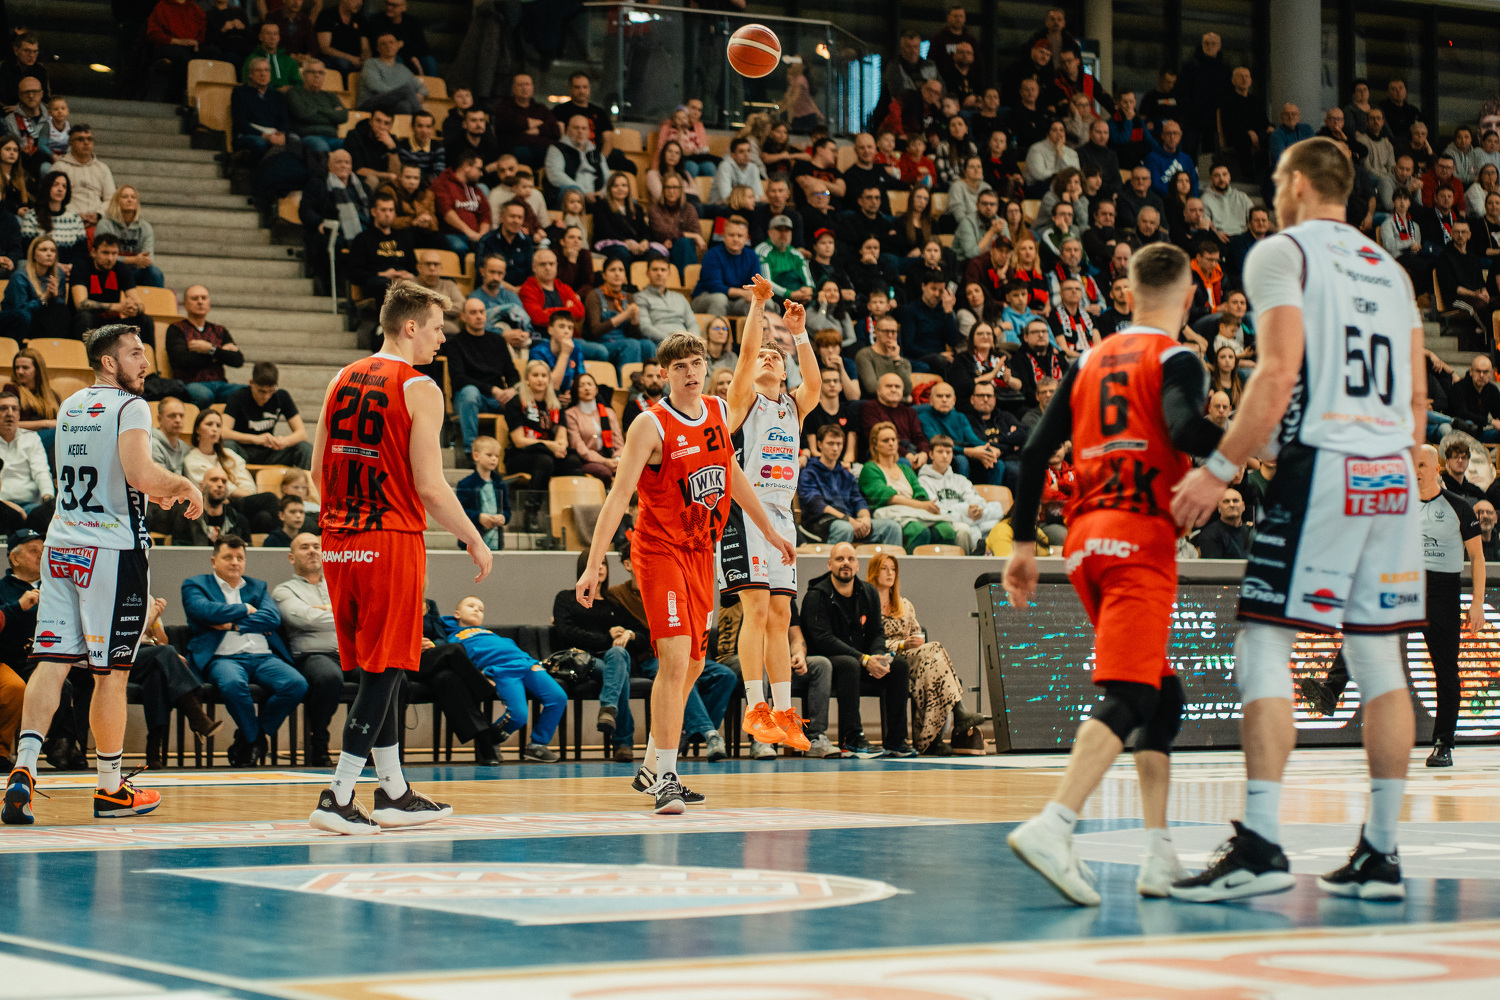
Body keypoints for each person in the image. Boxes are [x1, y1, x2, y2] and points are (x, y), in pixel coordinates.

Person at [1168, 138, 1425, 903]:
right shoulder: (1393, 271)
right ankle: (1381, 854)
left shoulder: (1285, 253)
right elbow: (1416, 400)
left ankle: (1260, 846)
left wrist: (1218, 471)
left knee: (1264, 642)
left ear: (1302, 184)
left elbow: (1277, 374)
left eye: (1279, 183)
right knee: (1379, 659)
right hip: (1393, 470)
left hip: (1328, 463)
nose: (1274, 196)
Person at [1002, 243, 1224, 906]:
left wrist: (1022, 543)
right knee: (1131, 694)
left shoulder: (1088, 358)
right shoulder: (1177, 358)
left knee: (1163, 695)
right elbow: (1184, 429)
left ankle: (1158, 854)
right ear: (1190, 298)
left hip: (1081, 543)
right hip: (1138, 538)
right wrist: (1243, 450)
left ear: (1126, 293)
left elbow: (1034, 453)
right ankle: (1055, 823)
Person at [574, 326, 795, 813]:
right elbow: (618, 497)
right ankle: (667, 778)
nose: (691, 373)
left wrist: (770, 531)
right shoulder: (649, 425)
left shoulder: (716, 411)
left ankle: (652, 766)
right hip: (659, 552)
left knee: (695, 664)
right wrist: (593, 565)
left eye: (697, 364)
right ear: (665, 374)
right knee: (674, 663)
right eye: (680, 367)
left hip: (701, 553)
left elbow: (733, 476)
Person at [308, 280, 491, 834]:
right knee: (386, 670)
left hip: (338, 541)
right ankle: (338, 795)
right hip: (389, 538)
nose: (442, 339)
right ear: (410, 327)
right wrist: (473, 537)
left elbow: (316, 472)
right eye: (436, 328)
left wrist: (348, 517)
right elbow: (431, 487)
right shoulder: (419, 387)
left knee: (377, 669)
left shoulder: (341, 377)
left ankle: (393, 793)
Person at [4, 324, 204, 826]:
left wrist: (151, 490)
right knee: (110, 674)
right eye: (135, 354)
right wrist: (182, 484)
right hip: (111, 552)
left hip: (62, 545)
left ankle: (23, 770)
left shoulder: (71, 404)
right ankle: (111, 788)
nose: (146, 362)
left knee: (52, 662)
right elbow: (138, 473)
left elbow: (109, 474)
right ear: (109, 363)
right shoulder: (131, 406)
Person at [1299, 445, 1483, 772]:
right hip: (1404, 582)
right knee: (1362, 628)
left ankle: (1443, 743)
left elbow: (1478, 558)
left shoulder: (1459, 507)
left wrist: (1477, 603)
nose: (1415, 471)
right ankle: (1330, 692)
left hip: (1442, 591)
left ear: (1437, 469)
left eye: (1422, 465)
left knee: (1445, 669)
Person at [719, 279, 821, 754]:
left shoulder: (793, 406)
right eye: (764, 355)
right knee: (756, 610)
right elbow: (745, 358)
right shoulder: (742, 401)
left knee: (780, 615)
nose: (767, 358)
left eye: (775, 357)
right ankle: (755, 706)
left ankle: (783, 711)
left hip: (782, 517)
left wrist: (799, 333)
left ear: (784, 371)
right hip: (743, 510)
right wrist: (759, 307)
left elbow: (814, 384)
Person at [868, 552, 986, 755]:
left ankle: (933, 739)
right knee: (934, 652)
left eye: (893, 569)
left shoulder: (904, 605)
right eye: (884, 569)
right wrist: (902, 645)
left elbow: (916, 632)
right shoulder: (868, 604)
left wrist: (916, 641)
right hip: (886, 658)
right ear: (874, 572)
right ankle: (951, 717)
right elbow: (870, 640)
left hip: (915, 658)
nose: (890, 573)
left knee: (933, 667)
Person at [801, 543, 911, 758]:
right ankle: (853, 739)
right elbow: (822, 639)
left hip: (863, 660)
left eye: (850, 559)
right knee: (849, 664)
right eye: (840, 559)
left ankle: (896, 741)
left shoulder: (868, 592)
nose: (846, 563)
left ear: (857, 565)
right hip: (828, 662)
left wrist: (877, 656)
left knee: (899, 666)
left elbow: (877, 632)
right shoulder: (817, 595)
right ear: (829, 564)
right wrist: (863, 659)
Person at [438, 596, 564, 762]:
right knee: (518, 715)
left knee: (558, 698)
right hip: (503, 670)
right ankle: (491, 740)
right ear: (457, 614)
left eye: (481, 609)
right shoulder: (452, 638)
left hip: (527, 664)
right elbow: (462, 663)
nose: (476, 610)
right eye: (471, 606)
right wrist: (481, 676)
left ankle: (537, 745)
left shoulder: (488, 633)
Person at [267, 533, 345, 766]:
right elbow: (305, 618)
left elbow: (364, 613)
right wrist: (340, 612)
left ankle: (373, 745)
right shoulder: (284, 591)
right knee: (328, 677)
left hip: (349, 653)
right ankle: (318, 742)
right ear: (292, 557)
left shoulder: (339, 584)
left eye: (316, 546)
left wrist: (324, 609)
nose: (312, 551)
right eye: (304, 547)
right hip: (313, 656)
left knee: (386, 675)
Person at [799, 424, 903, 546]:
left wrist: (865, 519)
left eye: (839, 444)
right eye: (830, 443)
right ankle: (835, 558)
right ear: (819, 444)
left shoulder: (845, 473)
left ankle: (887, 560)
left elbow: (858, 500)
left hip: (850, 520)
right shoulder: (809, 471)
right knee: (845, 528)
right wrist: (848, 520)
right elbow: (816, 504)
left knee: (892, 527)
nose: (835, 448)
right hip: (819, 522)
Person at [859, 421, 954, 551]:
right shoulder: (870, 468)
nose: (891, 443)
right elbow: (887, 497)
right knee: (919, 531)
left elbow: (919, 492)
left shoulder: (906, 469)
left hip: (915, 512)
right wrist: (922, 505)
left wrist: (925, 504)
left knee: (946, 530)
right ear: (875, 445)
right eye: (885, 440)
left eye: (893, 439)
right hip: (890, 513)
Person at [504, 359, 583, 492]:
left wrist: (560, 448)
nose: (540, 379)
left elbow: (562, 437)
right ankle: (532, 504)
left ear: (549, 380)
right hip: (521, 455)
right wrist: (551, 446)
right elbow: (519, 441)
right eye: (535, 375)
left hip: (550, 453)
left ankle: (569, 503)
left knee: (572, 461)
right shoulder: (516, 403)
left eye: (544, 376)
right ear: (527, 379)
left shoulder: (556, 403)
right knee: (545, 461)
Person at [918, 434, 1005, 553]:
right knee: (967, 529)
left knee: (998, 519)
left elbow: (977, 500)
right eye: (940, 452)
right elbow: (937, 510)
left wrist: (977, 509)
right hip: (946, 522)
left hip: (969, 520)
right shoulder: (923, 481)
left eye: (948, 452)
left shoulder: (961, 480)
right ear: (931, 454)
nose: (945, 456)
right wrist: (967, 511)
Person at [165, 285, 246, 409]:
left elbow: (237, 360)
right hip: (191, 383)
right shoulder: (176, 329)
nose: (200, 302)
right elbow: (182, 360)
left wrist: (211, 349)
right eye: (194, 298)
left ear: (209, 303)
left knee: (247, 393)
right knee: (204, 396)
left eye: (204, 298)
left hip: (221, 385)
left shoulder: (219, 330)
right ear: (185, 304)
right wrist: (219, 354)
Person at [223, 362, 312, 468]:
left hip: (270, 452)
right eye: (262, 391)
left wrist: (285, 441)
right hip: (243, 451)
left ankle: (305, 479)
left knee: (304, 447)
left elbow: (302, 433)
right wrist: (255, 439)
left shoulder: (281, 396)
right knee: (227, 445)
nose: (266, 396)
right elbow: (223, 432)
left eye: (271, 391)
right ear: (251, 383)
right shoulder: (237, 397)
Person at [70, 234, 146, 344]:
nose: (110, 258)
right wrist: (117, 307)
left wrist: (134, 308)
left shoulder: (121, 268)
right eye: (105, 253)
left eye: (114, 253)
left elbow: (140, 304)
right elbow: (81, 304)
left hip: (112, 323)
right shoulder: (81, 267)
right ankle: (82, 353)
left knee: (144, 319)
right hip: (89, 320)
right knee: (84, 317)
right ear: (94, 252)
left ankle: (143, 354)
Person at [0, 236, 69, 339]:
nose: (49, 254)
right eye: (44, 250)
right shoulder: (20, 276)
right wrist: (44, 299)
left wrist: (55, 297)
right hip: (14, 321)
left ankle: (55, 345)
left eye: (53, 250)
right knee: (24, 316)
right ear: (33, 254)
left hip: (40, 319)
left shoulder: (59, 274)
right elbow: (20, 310)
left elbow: (60, 304)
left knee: (62, 311)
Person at [692, 217, 761, 317]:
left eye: (740, 236)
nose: (735, 239)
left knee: (765, 302)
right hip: (707, 297)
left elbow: (754, 285)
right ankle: (715, 327)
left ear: (746, 238)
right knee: (719, 299)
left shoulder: (752, 256)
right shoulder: (713, 254)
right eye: (731, 235)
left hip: (737, 302)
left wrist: (750, 295)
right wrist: (744, 293)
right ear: (724, 236)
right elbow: (715, 287)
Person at [94, 186, 161, 288]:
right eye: (125, 197)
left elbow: (147, 259)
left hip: (135, 271)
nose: (130, 200)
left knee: (155, 273)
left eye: (133, 197)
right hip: (111, 269)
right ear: (117, 201)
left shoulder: (145, 228)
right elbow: (103, 257)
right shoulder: (105, 224)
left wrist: (140, 261)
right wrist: (134, 260)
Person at [564, 372, 624, 485]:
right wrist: (605, 461)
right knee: (604, 472)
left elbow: (619, 442)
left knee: (629, 469)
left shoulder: (609, 412)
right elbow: (579, 446)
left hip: (610, 456)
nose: (586, 388)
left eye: (589, 384)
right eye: (582, 385)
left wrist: (617, 459)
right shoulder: (570, 414)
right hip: (586, 460)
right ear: (576, 390)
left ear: (596, 390)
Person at [455, 435, 509, 551]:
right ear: (476, 456)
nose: (494, 459)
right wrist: (479, 517)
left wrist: (503, 517)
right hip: (471, 544)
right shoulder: (465, 484)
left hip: (495, 543)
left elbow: (507, 510)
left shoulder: (500, 483)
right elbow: (459, 512)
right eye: (489, 455)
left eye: (496, 456)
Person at [0, 396, 51, 513]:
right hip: (2, 506)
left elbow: (41, 471)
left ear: (19, 415)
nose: (10, 413)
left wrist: (48, 496)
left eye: (14, 409)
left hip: (30, 506)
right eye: (3, 408)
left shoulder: (31, 438)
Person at [636, 256, 698, 346]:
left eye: (663, 270)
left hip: (685, 344)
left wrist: (691, 340)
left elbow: (692, 323)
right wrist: (671, 340)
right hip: (660, 344)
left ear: (669, 273)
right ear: (647, 273)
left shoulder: (680, 297)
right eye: (655, 269)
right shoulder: (640, 297)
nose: (659, 273)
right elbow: (645, 327)